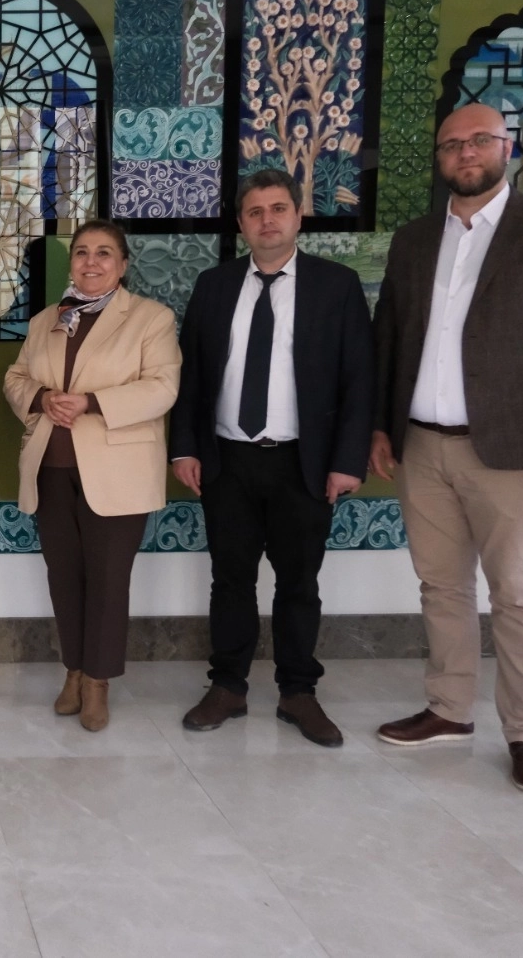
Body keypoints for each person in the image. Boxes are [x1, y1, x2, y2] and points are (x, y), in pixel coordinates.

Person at [369, 103, 523, 795]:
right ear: (440, 158)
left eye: (479, 140)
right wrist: (381, 426)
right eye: (452, 145)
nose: (465, 153)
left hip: (513, 449)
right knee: (442, 586)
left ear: (507, 147)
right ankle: (449, 709)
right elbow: (391, 336)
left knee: (519, 594)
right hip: (422, 444)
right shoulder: (416, 239)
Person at [170, 169, 374, 747]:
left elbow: (359, 380)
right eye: (255, 211)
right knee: (230, 580)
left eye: (278, 208)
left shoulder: (336, 286)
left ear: (298, 214)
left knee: (299, 582)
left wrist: (347, 460)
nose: (267, 220)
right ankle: (227, 686)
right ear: (241, 222)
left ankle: (298, 692)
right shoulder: (214, 285)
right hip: (227, 461)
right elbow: (191, 376)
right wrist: (184, 447)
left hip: (302, 464)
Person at [4, 220, 180, 730]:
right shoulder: (47, 319)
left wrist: (92, 402)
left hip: (119, 472)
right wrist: (42, 398)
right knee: (64, 578)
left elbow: (162, 388)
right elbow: (15, 377)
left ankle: (98, 683)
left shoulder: (151, 318)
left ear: (122, 265)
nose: (91, 261)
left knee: (106, 581)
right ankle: (74, 672)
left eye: (104, 253)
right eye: (82, 252)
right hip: (51, 467)